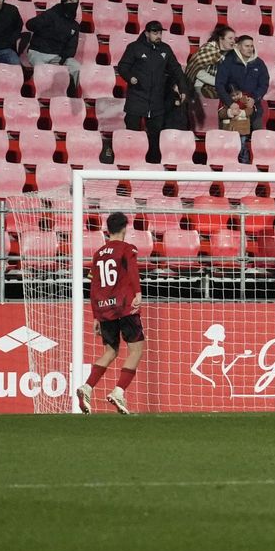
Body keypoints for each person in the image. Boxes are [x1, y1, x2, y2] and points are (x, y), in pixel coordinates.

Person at [77, 212, 144, 415]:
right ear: (125, 228)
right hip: (124, 306)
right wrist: (138, 293)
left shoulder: (98, 254)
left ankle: (87, 387)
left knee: (110, 351)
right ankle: (118, 391)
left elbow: (94, 286)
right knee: (136, 351)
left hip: (105, 308)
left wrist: (96, 315)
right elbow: (132, 271)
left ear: (108, 229)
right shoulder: (127, 248)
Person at [115, 21, 189, 163]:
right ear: (147, 33)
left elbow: (177, 70)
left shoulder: (166, 49)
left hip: (156, 100)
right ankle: (130, 162)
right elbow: (123, 66)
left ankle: (152, 165)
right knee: (132, 133)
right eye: (155, 33)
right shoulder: (134, 47)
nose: (158, 35)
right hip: (137, 98)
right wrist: (130, 78)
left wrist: (183, 88)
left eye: (160, 32)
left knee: (155, 136)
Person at [215, 35, 268, 156]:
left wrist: (255, 98)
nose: (250, 49)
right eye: (247, 46)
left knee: (256, 143)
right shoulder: (227, 62)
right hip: (231, 108)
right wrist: (230, 103)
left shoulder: (259, 63)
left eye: (252, 46)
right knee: (229, 145)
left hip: (254, 109)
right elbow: (219, 85)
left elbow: (264, 84)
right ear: (238, 47)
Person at [25, 0, 82, 89]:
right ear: (63, 2)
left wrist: (64, 58)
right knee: (41, 70)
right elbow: (30, 24)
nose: (72, 3)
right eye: (69, 1)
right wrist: (44, 28)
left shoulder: (74, 25)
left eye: (74, 0)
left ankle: (72, 94)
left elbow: (71, 46)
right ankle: (39, 95)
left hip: (57, 56)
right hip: (38, 52)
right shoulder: (51, 15)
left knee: (75, 66)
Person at [186, 25, 237, 105]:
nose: (233, 41)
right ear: (221, 39)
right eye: (230, 38)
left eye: (234, 39)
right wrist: (218, 82)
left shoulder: (230, 53)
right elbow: (197, 71)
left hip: (220, 85)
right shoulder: (208, 48)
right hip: (201, 86)